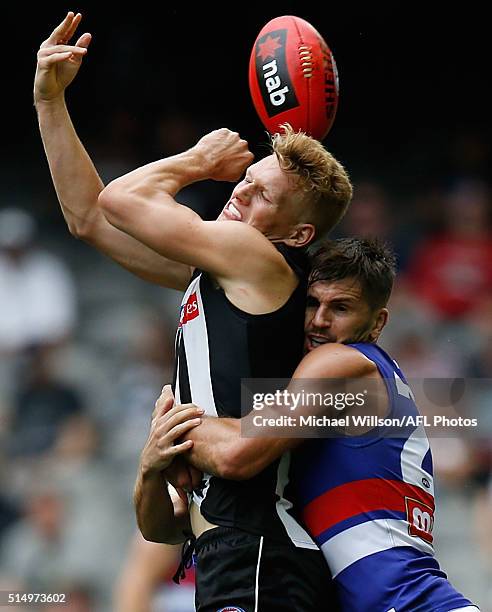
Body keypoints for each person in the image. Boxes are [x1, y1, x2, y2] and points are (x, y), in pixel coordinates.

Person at [34, 11, 352, 611]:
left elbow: (120, 200)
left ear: (299, 233)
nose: (239, 191)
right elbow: (87, 218)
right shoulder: (221, 276)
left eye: (262, 195)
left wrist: (199, 160)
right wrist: (50, 101)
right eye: (245, 179)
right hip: (232, 552)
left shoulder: (259, 259)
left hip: (261, 551)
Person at [152, 238, 479, 611]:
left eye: (340, 308)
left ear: (377, 323)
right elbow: (169, 527)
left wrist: (169, 426)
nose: (319, 320)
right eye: (312, 303)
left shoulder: (342, 363)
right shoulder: (338, 397)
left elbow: (235, 455)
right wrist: (151, 471)